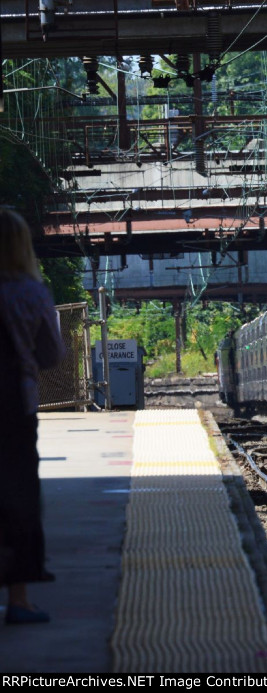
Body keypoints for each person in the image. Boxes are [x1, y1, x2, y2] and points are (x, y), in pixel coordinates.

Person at [0, 208, 64, 625]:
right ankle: (18, 600)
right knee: (17, 500)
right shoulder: (30, 293)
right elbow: (51, 355)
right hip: (13, 411)